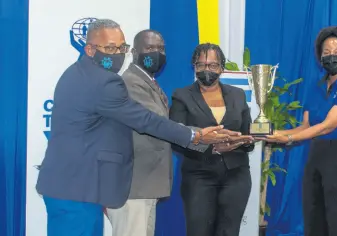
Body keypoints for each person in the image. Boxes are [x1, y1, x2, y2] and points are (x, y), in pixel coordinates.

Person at [36, 19, 235, 236]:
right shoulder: (103, 82)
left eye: (122, 47)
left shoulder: (77, 72)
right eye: (110, 48)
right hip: (76, 189)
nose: (118, 54)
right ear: (90, 49)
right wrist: (194, 136)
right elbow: (146, 120)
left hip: (73, 185)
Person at [261, 26, 337, 236]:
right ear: (320, 57)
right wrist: (274, 133)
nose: (331, 56)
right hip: (315, 155)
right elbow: (306, 126)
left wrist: (288, 138)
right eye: (326, 52)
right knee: (313, 217)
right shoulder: (315, 86)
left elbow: (327, 125)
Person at [169, 43, 255, 236]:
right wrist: (213, 148)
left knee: (229, 231)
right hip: (199, 175)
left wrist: (245, 140)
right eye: (201, 65)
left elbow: (246, 131)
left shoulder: (238, 94)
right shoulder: (181, 95)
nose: (206, 70)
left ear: (222, 68)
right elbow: (176, 136)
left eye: (212, 65)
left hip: (236, 174)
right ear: (194, 67)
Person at [105, 29, 173, 236]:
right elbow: (157, 123)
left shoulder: (147, 81)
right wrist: (198, 136)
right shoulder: (130, 82)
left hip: (146, 184)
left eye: (160, 48)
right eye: (150, 48)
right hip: (134, 184)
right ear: (134, 52)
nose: (156, 53)